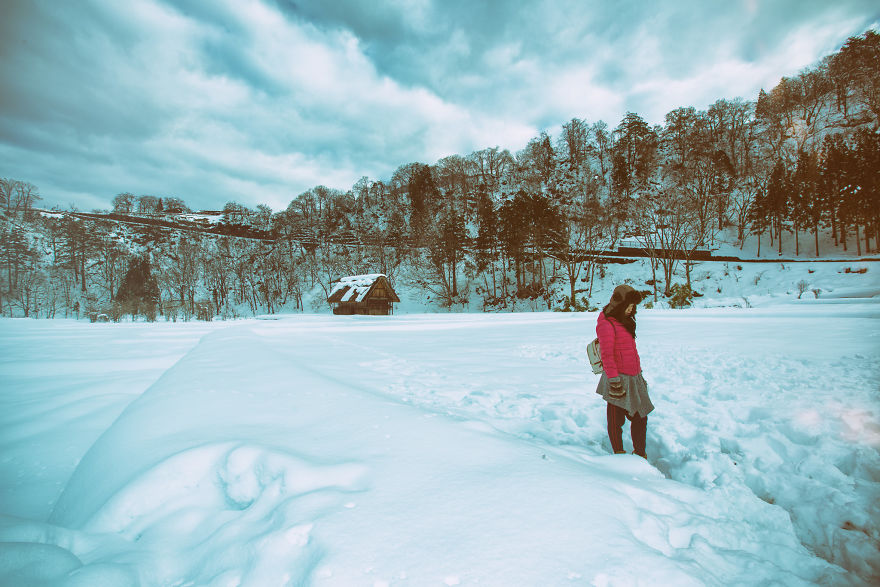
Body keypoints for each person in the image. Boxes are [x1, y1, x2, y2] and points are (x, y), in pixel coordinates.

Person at [595, 284, 654, 458]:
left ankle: (640, 453)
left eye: (633, 307)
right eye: (628, 306)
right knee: (616, 420)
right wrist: (614, 381)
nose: (631, 310)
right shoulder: (606, 323)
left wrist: (639, 376)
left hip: (633, 377)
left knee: (640, 416)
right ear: (619, 304)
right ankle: (619, 455)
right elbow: (607, 355)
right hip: (617, 378)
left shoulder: (625, 321)